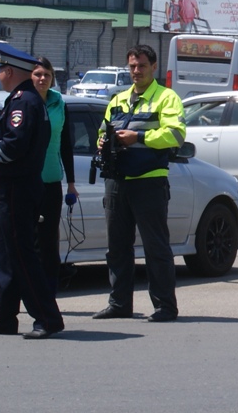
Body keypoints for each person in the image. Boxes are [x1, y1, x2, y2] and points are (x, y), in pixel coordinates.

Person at [0, 43, 64, 340]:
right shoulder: (23, 98)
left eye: (0, 69)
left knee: (22, 255)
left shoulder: (24, 102)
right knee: (7, 256)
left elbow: (14, 146)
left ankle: (47, 318)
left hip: (17, 187)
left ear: (8, 71)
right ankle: (4, 317)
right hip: (10, 188)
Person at [92, 45, 186, 323]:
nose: (136, 71)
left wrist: (140, 138)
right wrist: (102, 140)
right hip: (117, 182)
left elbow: (176, 135)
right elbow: (103, 129)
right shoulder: (118, 99)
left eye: (142, 66)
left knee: (156, 247)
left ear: (153, 67)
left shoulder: (166, 98)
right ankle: (119, 303)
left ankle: (165, 307)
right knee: (117, 248)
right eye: (132, 66)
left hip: (149, 182)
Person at [32, 57, 78, 292]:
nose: (42, 78)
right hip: (26, 183)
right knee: (29, 241)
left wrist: (70, 182)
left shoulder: (59, 102)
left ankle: (48, 290)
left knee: (49, 239)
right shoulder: (25, 103)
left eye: (46, 75)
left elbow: (66, 145)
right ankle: (27, 290)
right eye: (37, 74)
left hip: (51, 182)